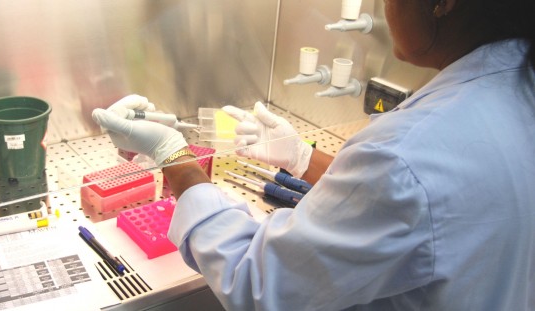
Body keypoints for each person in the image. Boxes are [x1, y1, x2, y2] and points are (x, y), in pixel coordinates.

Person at [92, 0, 535, 309]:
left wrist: (174, 157)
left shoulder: (405, 151)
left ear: (443, 2)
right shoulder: (515, 91)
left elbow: (256, 284)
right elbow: (421, 213)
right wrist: (303, 158)